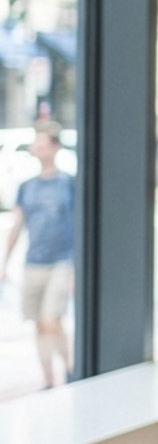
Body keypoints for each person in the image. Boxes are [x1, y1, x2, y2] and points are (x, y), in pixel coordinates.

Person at [3, 121, 74, 389]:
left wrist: (77, 268)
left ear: (55, 147)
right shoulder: (27, 186)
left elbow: (78, 225)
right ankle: (48, 378)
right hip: (33, 262)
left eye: (42, 143)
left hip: (62, 261)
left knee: (51, 319)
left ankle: (70, 367)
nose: (37, 148)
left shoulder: (68, 184)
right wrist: (4, 261)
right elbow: (17, 225)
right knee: (38, 323)